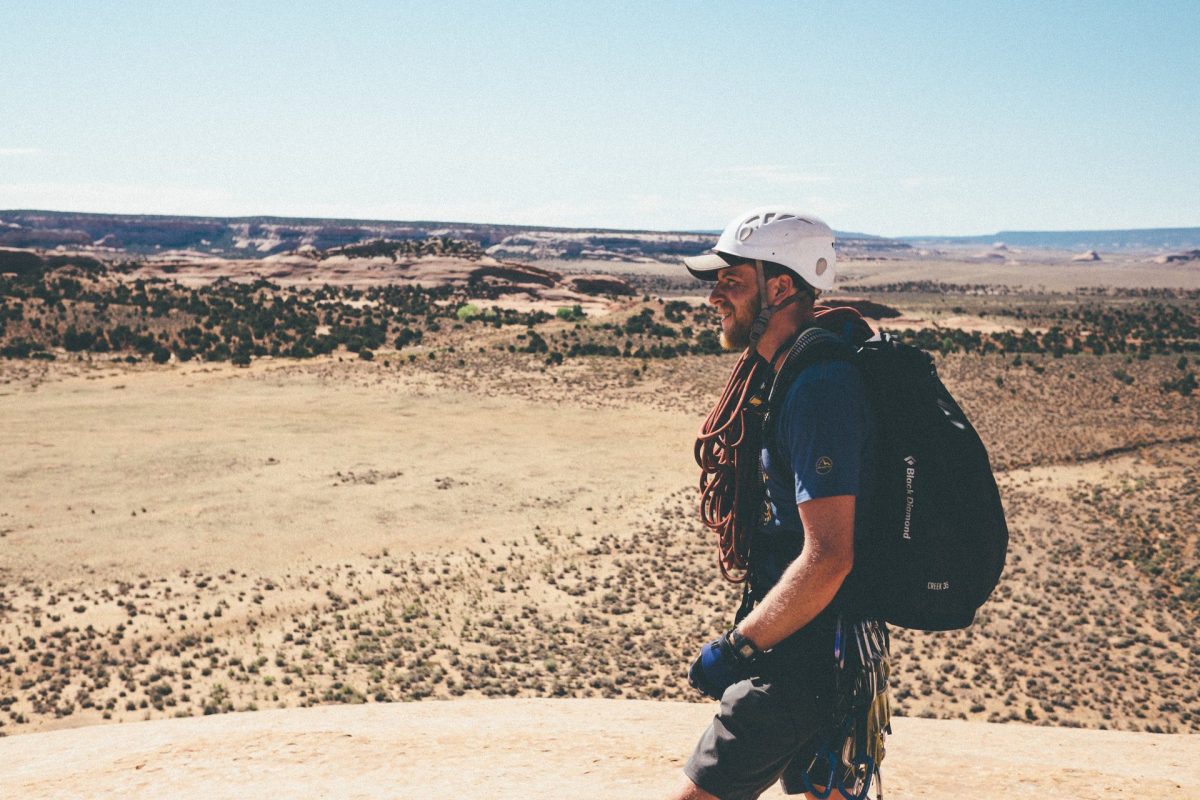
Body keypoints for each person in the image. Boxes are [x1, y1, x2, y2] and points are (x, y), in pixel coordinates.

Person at [670, 208, 887, 800]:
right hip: (825, 647)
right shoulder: (784, 371)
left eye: (731, 281)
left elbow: (828, 558)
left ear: (782, 286)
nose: (715, 296)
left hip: (801, 659)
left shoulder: (818, 387)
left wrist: (738, 647)